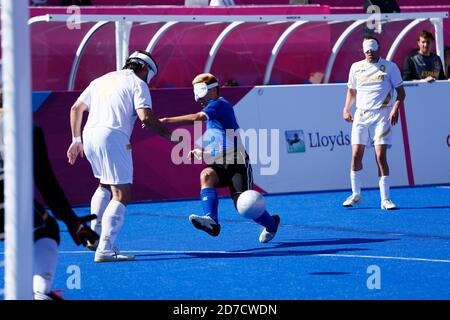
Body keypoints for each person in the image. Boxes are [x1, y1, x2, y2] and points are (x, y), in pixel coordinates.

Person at [66, 50, 172, 262]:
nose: (147, 80)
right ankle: (105, 248)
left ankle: (94, 237)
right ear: (144, 68)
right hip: (112, 135)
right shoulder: (138, 83)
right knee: (122, 193)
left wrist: (76, 139)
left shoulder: (101, 80)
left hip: (89, 135)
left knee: (104, 185)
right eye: (148, 75)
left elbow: (76, 108)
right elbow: (145, 117)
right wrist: (169, 136)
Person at [0, 90, 99, 300]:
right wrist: (73, 222)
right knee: (48, 229)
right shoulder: (26, 128)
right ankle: (39, 292)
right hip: (8, 205)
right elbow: (45, 182)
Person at [159, 73, 280, 243]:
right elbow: (221, 142)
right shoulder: (212, 112)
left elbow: (197, 118)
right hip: (221, 161)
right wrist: (203, 153)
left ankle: (272, 224)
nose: (198, 99)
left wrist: (166, 120)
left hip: (238, 162)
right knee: (206, 175)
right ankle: (212, 221)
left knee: (244, 206)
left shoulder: (220, 104)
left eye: (201, 93)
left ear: (214, 90)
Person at [342, 37, 406, 210]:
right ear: (363, 51)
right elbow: (351, 91)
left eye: (372, 49)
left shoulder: (390, 67)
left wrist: (395, 109)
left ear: (379, 48)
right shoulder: (356, 67)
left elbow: (401, 92)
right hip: (361, 116)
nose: (369, 52)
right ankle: (356, 195)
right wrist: (346, 108)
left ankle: (385, 199)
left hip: (381, 116)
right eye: (366, 50)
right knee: (356, 155)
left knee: (380, 156)